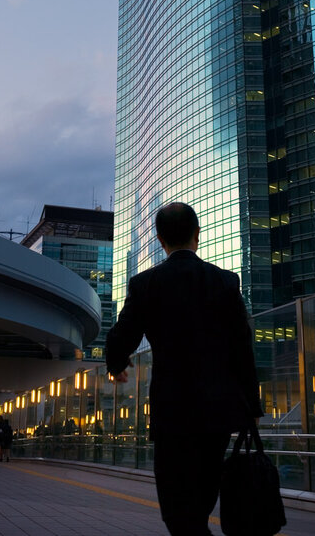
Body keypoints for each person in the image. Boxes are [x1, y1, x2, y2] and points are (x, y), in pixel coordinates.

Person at [105, 201, 261, 536]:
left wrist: (116, 365)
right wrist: (253, 405)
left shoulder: (146, 283)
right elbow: (242, 349)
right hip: (217, 412)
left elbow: (121, 336)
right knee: (201, 501)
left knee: (177, 508)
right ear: (198, 235)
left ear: (160, 240)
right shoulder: (225, 282)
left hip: (171, 412)